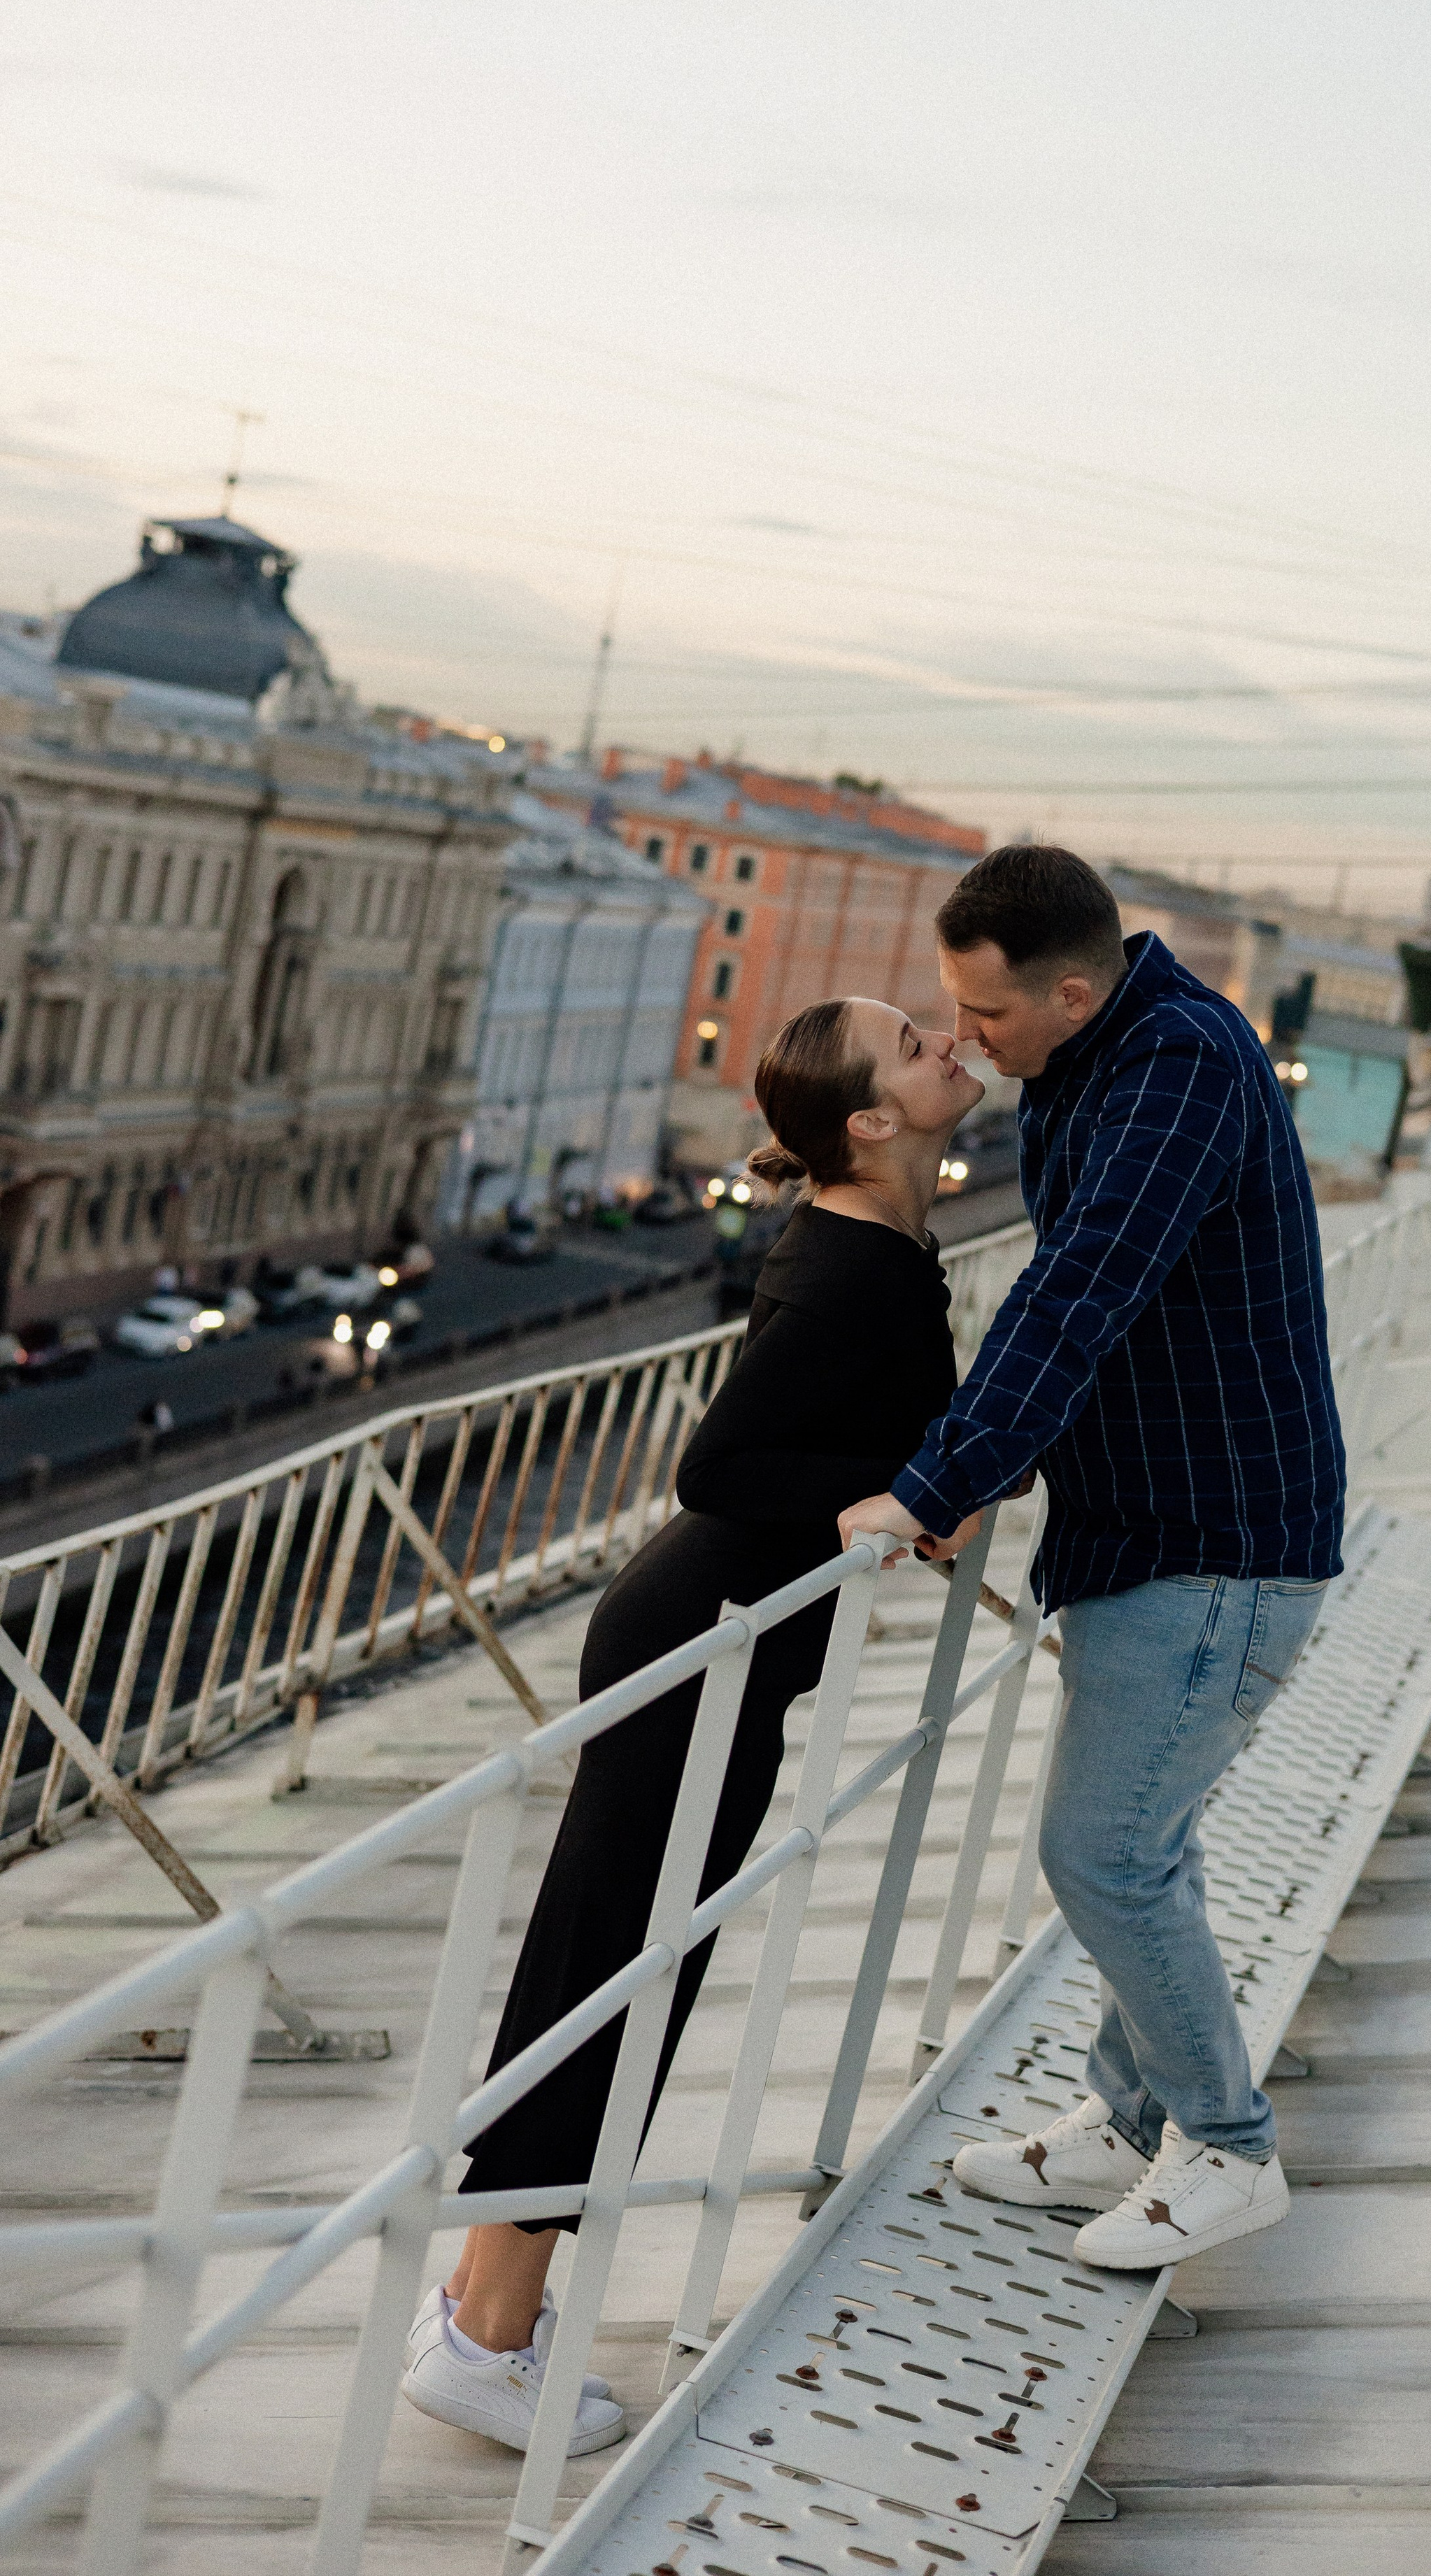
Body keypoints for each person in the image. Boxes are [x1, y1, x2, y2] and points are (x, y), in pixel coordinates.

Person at [402, 994, 983, 2454]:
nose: (942, 1045)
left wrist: (905, 1488)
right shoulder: (853, 1265)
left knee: (606, 1967)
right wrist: (872, 1499)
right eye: (913, 1044)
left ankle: (485, 2294)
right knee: (612, 1982)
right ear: (866, 1121)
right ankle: (484, 2340)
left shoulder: (881, 1244)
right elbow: (716, 1464)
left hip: (719, 1647)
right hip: (696, 1649)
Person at [839, 844, 1345, 2275]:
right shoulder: (1096, 1053)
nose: (966, 1042)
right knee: (1142, 1845)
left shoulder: (1173, 1067)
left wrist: (935, 1480)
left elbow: (1078, 1290)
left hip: (1218, 1542)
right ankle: (1127, 2127)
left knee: (1104, 1855)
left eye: (983, 1016)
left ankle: (1225, 2147)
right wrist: (973, 1468)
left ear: (1072, 987)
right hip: (1158, 1532)